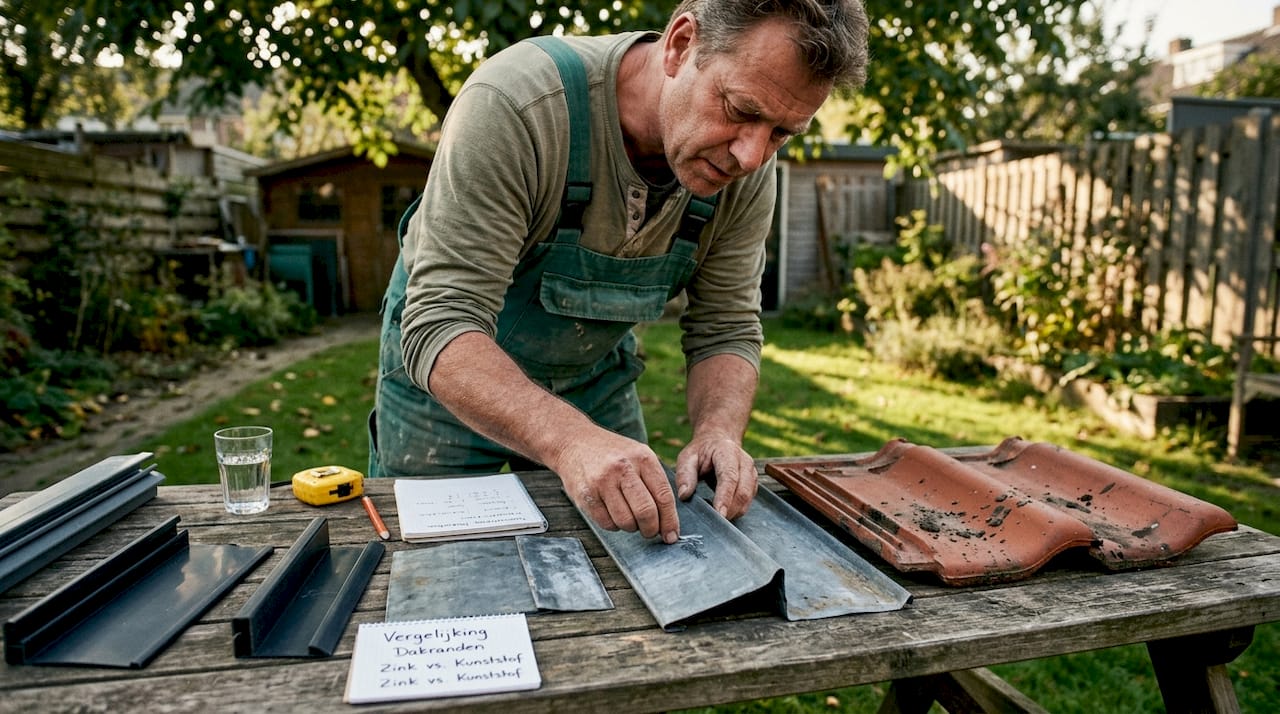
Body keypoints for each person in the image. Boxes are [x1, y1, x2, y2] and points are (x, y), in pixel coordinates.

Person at [369, 0, 869, 544]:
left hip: (594, 384)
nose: (750, 156)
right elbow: (441, 320)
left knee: (635, 569)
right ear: (681, 43)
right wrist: (569, 441)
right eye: (742, 110)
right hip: (447, 391)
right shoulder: (519, 105)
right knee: (437, 579)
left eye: (781, 133)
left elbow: (725, 325)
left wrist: (718, 430)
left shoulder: (745, 167)